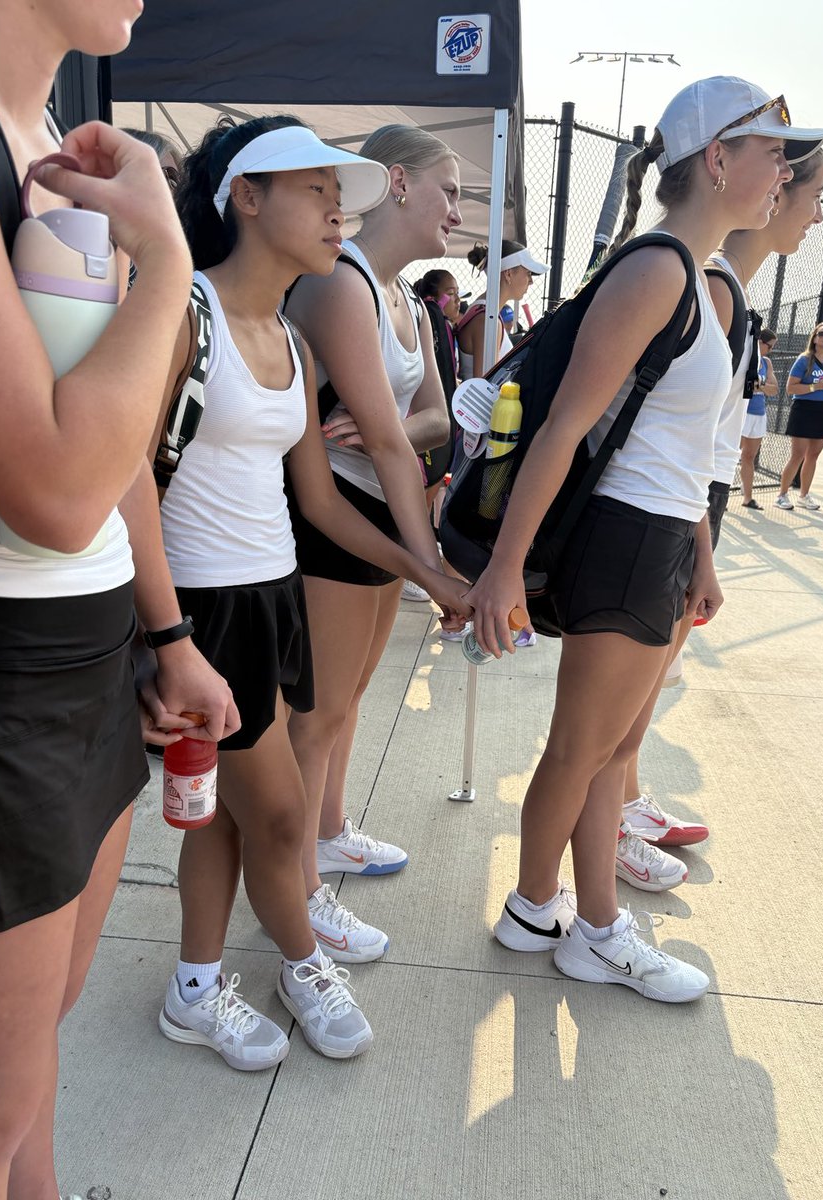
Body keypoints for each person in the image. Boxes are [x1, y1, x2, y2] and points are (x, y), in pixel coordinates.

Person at [467, 77, 807, 1004]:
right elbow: (565, 427)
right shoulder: (657, 270)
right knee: (583, 749)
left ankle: (561, 916)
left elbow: (683, 447)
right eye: (774, 153)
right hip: (623, 539)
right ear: (717, 159)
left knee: (605, 750)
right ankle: (568, 919)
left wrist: (700, 558)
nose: (784, 173)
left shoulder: (694, 275)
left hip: (656, 539)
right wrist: (503, 569)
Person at [151, 116, 469, 1070]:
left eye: (342, 196)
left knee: (225, 816)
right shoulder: (183, 311)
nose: (338, 212)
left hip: (275, 597)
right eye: (315, 191)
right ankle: (300, 961)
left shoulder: (291, 339)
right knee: (283, 817)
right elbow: (128, 477)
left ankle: (194, 986)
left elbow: (320, 502)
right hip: (203, 615)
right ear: (246, 198)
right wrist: (167, 638)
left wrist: (427, 572)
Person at [0, 2, 236, 1198]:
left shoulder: (53, 142)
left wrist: (168, 632)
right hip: (8, 666)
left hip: (89, 652)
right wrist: (168, 263)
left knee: (35, 1053)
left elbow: (119, 433)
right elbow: (53, 487)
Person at [617, 144, 823, 851]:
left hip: (687, 503)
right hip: (669, 504)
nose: (816, 215)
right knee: (633, 686)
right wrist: (701, 544)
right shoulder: (714, 286)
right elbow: (680, 437)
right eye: (811, 195)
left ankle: (625, 801)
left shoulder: (725, 285)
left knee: (650, 679)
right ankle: (614, 817)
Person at [282, 124, 462, 955]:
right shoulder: (343, 282)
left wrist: (395, 425)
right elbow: (391, 441)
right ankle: (299, 889)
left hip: (381, 509)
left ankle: (328, 831)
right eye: (447, 190)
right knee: (316, 715)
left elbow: (434, 420)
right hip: (328, 520)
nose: (456, 209)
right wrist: (435, 570)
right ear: (397, 182)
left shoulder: (407, 301)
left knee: (350, 699)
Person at [402, 269, 462, 603]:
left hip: (440, 418)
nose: (457, 299)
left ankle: (416, 557)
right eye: (451, 292)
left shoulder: (441, 323)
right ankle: (411, 565)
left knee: (430, 487)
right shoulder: (428, 314)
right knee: (420, 491)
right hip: (419, 421)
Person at [775, 322, 823, 510]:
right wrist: (816, 387)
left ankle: (804, 495)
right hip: (804, 409)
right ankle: (782, 495)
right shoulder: (805, 359)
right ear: (814, 338)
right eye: (822, 334)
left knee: (813, 455)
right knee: (797, 455)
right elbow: (791, 388)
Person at [456, 239, 549, 380]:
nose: (531, 281)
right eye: (528, 273)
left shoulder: (484, 312)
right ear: (508, 274)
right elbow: (485, 384)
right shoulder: (486, 319)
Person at [740, 328, 778, 508]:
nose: (770, 350)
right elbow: (743, 385)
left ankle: (747, 498)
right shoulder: (745, 356)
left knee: (749, 456)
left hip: (758, 413)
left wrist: (759, 385)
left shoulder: (766, 362)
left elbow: (774, 389)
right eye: (769, 347)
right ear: (760, 342)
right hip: (742, 413)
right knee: (731, 455)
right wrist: (762, 386)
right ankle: (718, 496)